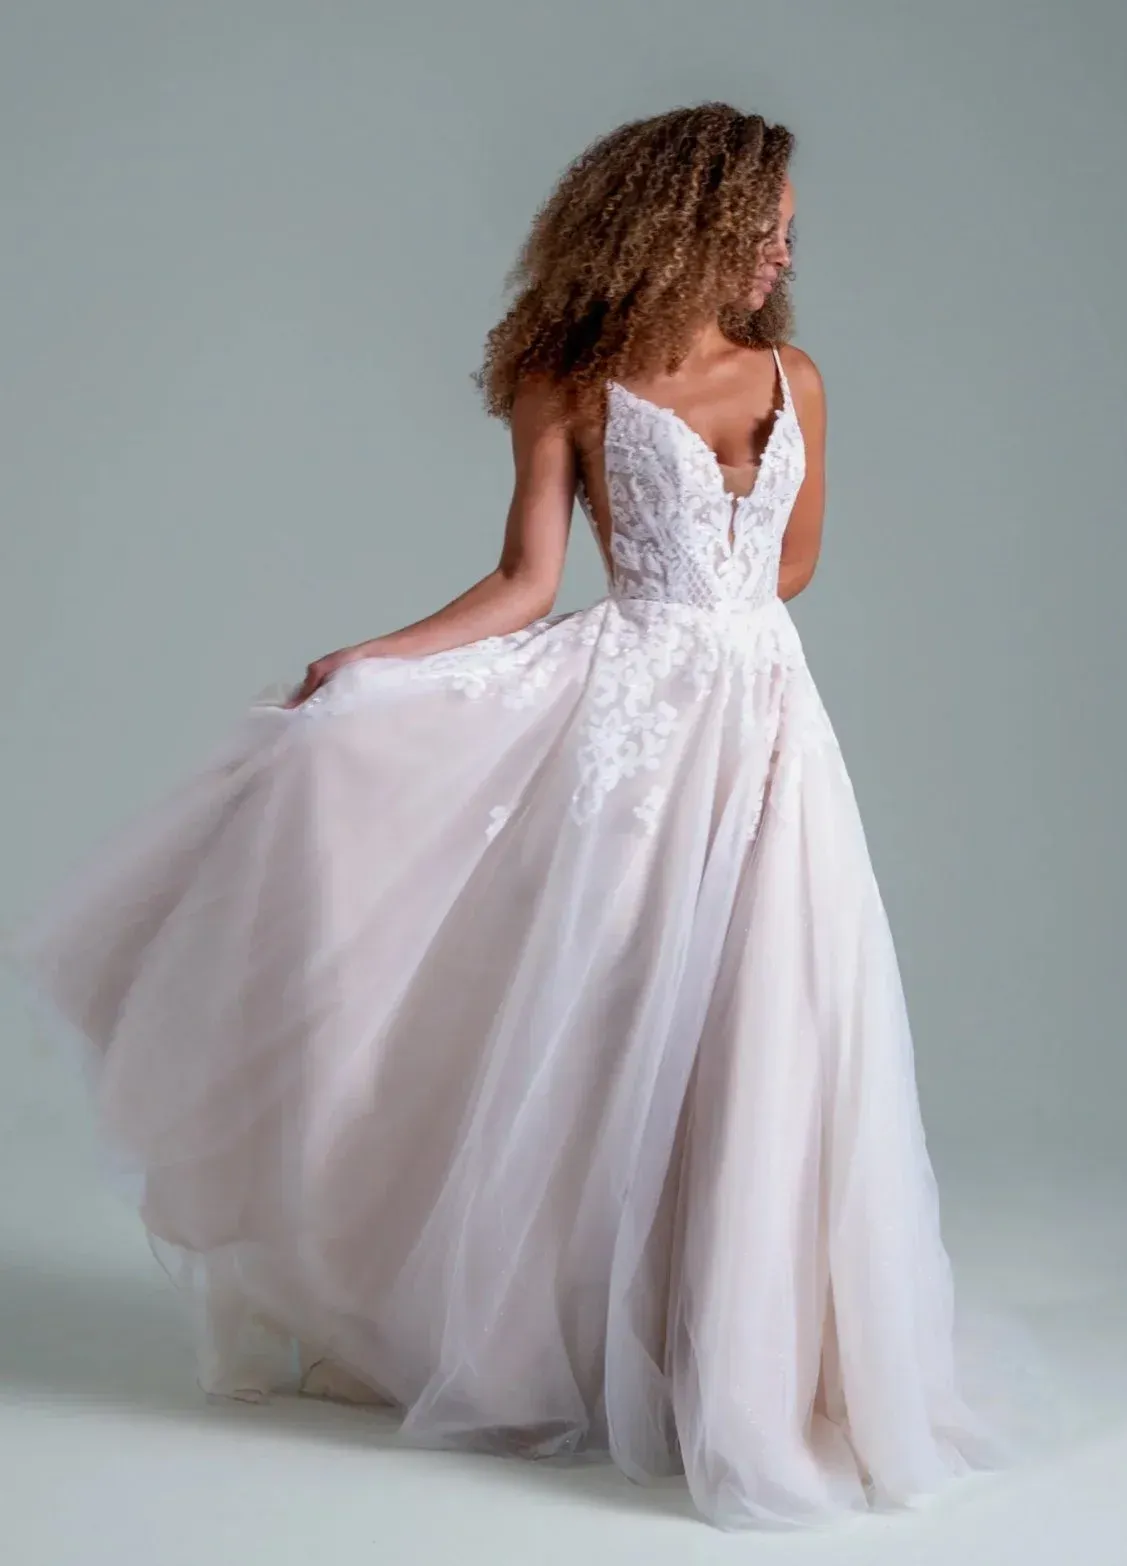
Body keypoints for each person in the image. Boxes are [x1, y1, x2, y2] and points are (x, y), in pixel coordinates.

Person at [5, 102, 1030, 1530]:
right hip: (635, 731)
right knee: (610, 1019)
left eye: (788, 227)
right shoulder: (567, 380)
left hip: (772, 732)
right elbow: (521, 583)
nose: (783, 247)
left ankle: (741, 1359)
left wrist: (716, 610)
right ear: (686, 217)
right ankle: (587, 1340)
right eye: (762, 221)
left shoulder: (794, 372)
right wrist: (365, 664)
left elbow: (787, 567)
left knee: (777, 1017)